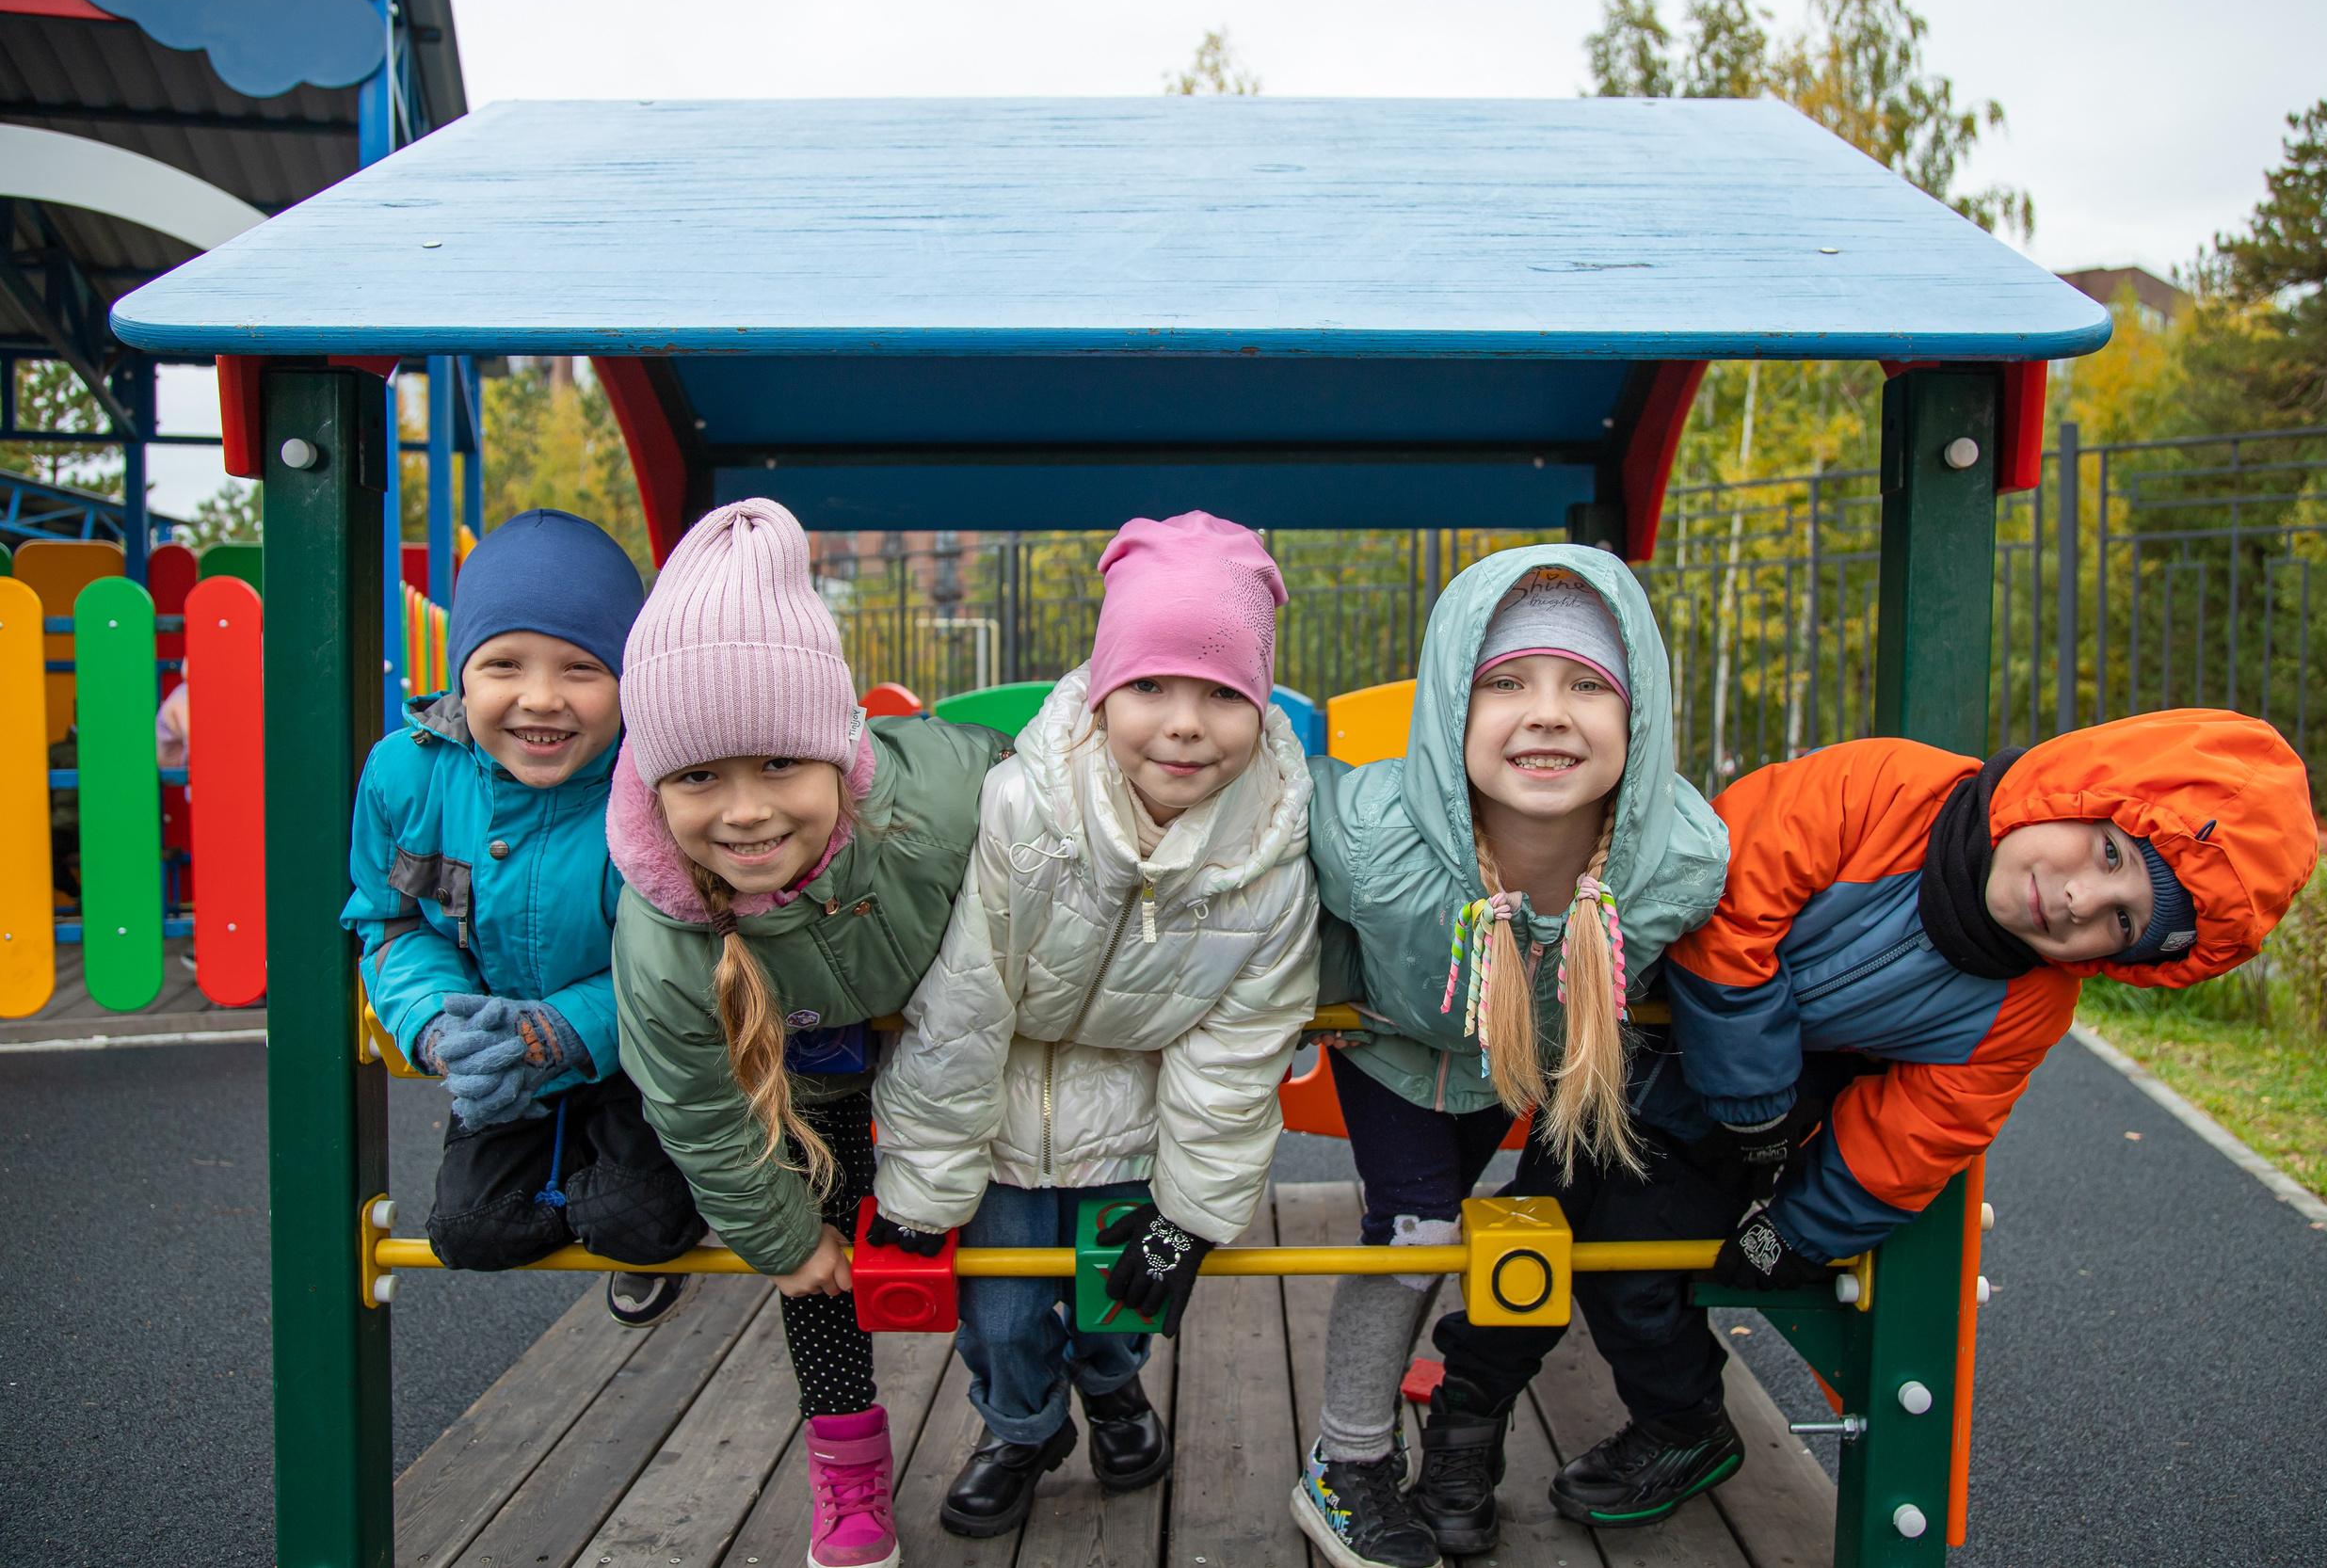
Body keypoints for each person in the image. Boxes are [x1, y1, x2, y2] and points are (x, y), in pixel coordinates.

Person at [1418, 708, 2319, 1542]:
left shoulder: (2022, 1007)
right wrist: (1756, 1104)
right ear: (2075, 791)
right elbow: (1731, 897)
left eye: (2122, 923)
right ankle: (1467, 1427)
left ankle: (1682, 1422)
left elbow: (1924, 1131)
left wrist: (1801, 1228)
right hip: (1652, 1041)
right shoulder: (1890, 791)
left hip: (1754, 1117)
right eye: (2111, 856)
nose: (2082, 900)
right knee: (1535, 1227)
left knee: (1639, 1272)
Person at [869, 511, 1321, 1540]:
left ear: (1257, 703)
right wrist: (924, 1183)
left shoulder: (1266, 856)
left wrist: (1192, 1211)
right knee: (1003, 1316)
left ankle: (1115, 1389)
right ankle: (1021, 1428)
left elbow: (1239, 1044)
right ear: (1104, 688)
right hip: (998, 1119)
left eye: (1221, 693)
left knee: (1126, 1296)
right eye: (1151, 685)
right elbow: (964, 1003)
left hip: (1138, 1115)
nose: (1185, 722)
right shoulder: (1025, 809)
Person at [1289, 550, 1728, 1568]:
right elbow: (1284, 931)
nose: (1546, 713)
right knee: (1416, 1231)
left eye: (1587, 685)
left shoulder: (1679, 859)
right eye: (1505, 683)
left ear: (1640, 714)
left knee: (1566, 1220)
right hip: (1394, 1049)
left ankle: (1472, 1415)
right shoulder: (1363, 834)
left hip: (1542, 1062)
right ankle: (1346, 1463)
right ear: (1453, 707)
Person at [608, 498, 1013, 1568]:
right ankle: (849, 1479)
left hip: (957, 1060)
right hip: (810, 1094)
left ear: (839, 754)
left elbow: (1050, 793)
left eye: (779, 766)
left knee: (1014, 1250)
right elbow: (694, 1101)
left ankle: (1051, 1409)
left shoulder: (931, 798)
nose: (744, 812)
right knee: (824, 1284)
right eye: (699, 778)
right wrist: (784, 1239)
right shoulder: (664, 924)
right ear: (656, 784)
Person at [342, 509, 705, 1326]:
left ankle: (651, 1217)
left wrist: (565, 1031)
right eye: (504, 663)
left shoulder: (654, 787)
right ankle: (583, 1181)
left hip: (642, 1051)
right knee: (473, 1229)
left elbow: (691, 956)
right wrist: (438, 1025)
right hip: (500, 1039)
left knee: (634, 1220)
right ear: (461, 674)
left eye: (581, 667)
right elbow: (390, 923)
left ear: (627, 679)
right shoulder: (409, 776)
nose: (541, 697)